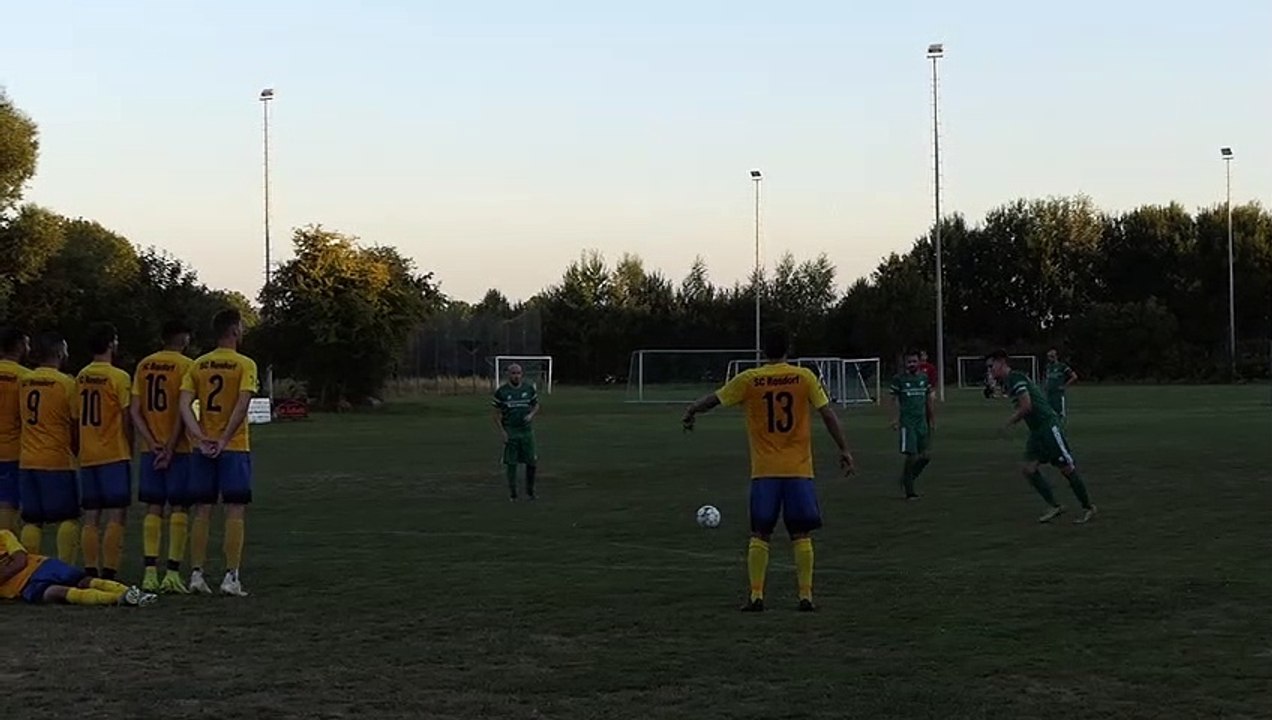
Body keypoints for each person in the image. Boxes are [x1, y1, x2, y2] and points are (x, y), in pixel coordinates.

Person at [682, 326, 854, 613]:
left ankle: (756, 596)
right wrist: (844, 449)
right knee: (800, 533)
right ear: (788, 350)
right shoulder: (804, 377)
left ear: (764, 352)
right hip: (799, 470)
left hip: (765, 471)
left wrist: (691, 410)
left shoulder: (751, 379)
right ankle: (806, 596)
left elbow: (714, 399)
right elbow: (827, 413)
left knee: (760, 533)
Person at [179, 309, 258, 597]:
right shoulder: (244, 364)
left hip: (204, 448)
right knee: (235, 509)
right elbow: (242, 403)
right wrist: (224, 439)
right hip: (233, 447)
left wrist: (200, 437)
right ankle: (231, 576)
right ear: (235, 330)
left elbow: (185, 405)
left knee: (202, 509)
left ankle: (197, 574)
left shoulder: (199, 364)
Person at [987, 349, 1096, 524]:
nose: (990, 370)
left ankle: (1088, 507)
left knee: (1066, 468)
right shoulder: (1009, 381)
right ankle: (1055, 506)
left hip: (1048, 427)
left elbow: (1026, 406)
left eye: (992, 366)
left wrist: (1007, 423)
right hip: (1037, 431)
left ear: (1001, 363)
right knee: (1028, 469)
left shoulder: (1015, 378)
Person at [131, 320, 195, 594]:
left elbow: (135, 411)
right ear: (185, 339)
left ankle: (148, 574)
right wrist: (169, 447)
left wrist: (152, 442)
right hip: (178, 449)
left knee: (153, 507)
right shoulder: (186, 366)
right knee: (179, 507)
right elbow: (184, 410)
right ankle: (171, 573)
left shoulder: (144, 365)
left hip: (150, 449)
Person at [75, 322, 133, 580]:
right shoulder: (118, 377)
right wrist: (130, 445)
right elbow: (126, 417)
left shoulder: (81, 376)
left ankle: (89, 568)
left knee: (91, 516)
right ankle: (109, 570)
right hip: (113, 452)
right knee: (116, 513)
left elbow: (76, 417)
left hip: (88, 454)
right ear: (110, 344)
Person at [18, 332, 80, 562]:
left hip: (28, 459)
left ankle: (30, 570)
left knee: (32, 520)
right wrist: (75, 449)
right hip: (56, 459)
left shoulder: (24, 382)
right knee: (67, 518)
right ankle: (65, 567)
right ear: (58, 352)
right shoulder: (66, 383)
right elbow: (75, 424)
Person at [0, 529, 155, 606]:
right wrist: (10, 565)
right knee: (56, 593)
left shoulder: (3, 535)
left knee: (83, 580)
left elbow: (21, 560)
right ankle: (121, 598)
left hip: (41, 565)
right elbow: (17, 562)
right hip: (22, 588)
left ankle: (132, 592)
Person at [889, 349, 935, 500]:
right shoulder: (899, 379)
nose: (912, 364)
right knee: (911, 456)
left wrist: (931, 418)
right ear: (905, 363)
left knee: (926, 456)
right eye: (909, 362)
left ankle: (907, 478)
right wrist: (895, 419)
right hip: (907, 423)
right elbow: (895, 400)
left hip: (921, 422)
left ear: (919, 362)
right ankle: (910, 491)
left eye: (915, 361)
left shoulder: (924, 378)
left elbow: (928, 400)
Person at [492, 364, 539, 501]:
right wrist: (502, 432)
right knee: (511, 463)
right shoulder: (502, 392)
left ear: (522, 374)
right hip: (511, 431)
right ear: (508, 374)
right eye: (513, 373)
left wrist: (531, 415)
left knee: (531, 462)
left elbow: (536, 405)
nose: (516, 375)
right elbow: (495, 414)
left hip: (526, 432)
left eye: (518, 373)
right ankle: (513, 493)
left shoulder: (528, 389)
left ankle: (530, 491)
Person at [0, 328, 30, 533]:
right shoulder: (26, 377)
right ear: (19, 346)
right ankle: (6, 552)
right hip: (13, 448)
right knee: (8, 503)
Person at [1044, 348, 1078, 420]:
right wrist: (1046, 386)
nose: (1049, 359)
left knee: (1059, 414)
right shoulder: (1048, 367)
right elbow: (1048, 378)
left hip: (1058, 394)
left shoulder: (1062, 366)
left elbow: (1074, 376)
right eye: (1048, 357)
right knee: (1049, 413)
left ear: (1055, 357)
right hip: (1049, 394)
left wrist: (1065, 386)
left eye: (1051, 357)